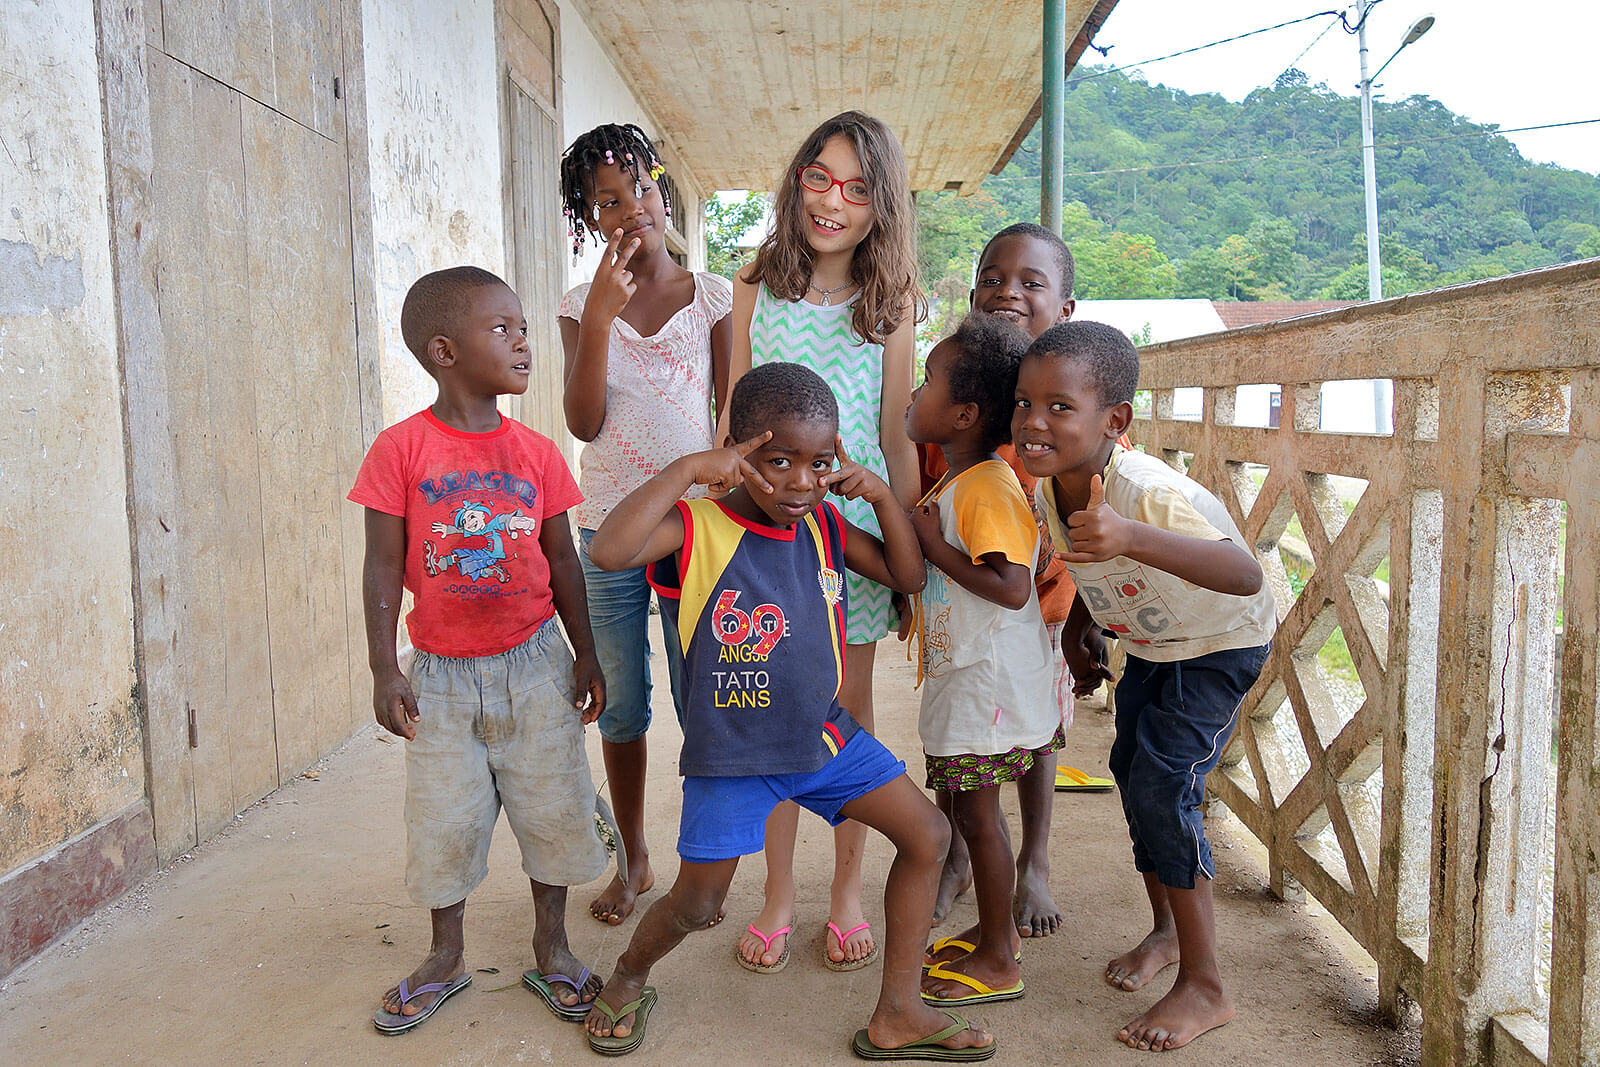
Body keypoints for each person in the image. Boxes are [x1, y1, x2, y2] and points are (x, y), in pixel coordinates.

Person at [580, 362, 992, 1060]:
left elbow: (908, 575)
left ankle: (899, 1010)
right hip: (734, 757)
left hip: (825, 738)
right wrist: (686, 468)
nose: (801, 481)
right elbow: (607, 547)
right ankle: (627, 974)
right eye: (778, 460)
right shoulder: (698, 526)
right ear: (736, 450)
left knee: (927, 835)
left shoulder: (825, 525)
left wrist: (881, 496)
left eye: (819, 462)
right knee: (698, 904)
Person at [351, 267, 614, 1034]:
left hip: (535, 664)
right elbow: (379, 563)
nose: (523, 339)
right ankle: (444, 955)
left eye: (522, 324)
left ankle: (553, 946)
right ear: (444, 351)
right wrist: (382, 665)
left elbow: (565, 562)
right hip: (440, 675)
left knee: (554, 804)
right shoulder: (399, 450)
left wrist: (585, 653)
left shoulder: (536, 452)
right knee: (442, 818)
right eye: (502, 328)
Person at [1013, 321, 1276, 1051]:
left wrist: (1129, 536)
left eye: (1060, 407)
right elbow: (1085, 564)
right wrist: (1081, 627)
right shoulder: (1046, 485)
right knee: (1132, 771)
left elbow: (1244, 572)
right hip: (1155, 643)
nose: (1035, 421)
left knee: (1165, 783)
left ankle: (1207, 983)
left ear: (1114, 420)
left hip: (1220, 641)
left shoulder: (1142, 487)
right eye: (1024, 402)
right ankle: (1167, 930)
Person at [722, 110, 925, 973]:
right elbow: (732, 411)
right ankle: (777, 894)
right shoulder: (753, 284)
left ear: (882, 206)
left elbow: (897, 433)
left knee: (847, 708)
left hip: (854, 535)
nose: (831, 202)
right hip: (767, 526)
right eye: (818, 178)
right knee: (770, 704)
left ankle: (846, 891)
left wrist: (909, 556)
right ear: (795, 179)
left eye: (855, 188)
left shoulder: (893, 306)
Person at [558, 122, 734, 927]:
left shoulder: (715, 298)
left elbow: (728, 423)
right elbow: (585, 423)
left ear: (663, 188)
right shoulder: (579, 308)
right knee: (623, 704)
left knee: (705, 703)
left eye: (641, 187)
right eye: (607, 202)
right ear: (589, 221)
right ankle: (634, 858)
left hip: (695, 529)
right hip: (606, 532)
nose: (631, 210)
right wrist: (599, 319)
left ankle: (705, 862)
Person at [904, 314, 1057, 1008]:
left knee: (980, 819)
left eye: (927, 380)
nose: (914, 390)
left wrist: (934, 548)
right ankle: (994, 930)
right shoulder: (961, 480)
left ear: (964, 414)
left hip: (987, 685)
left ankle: (1000, 956)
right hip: (972, 677)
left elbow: (1012, 584)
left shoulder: (987, 485)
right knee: (974, 814)